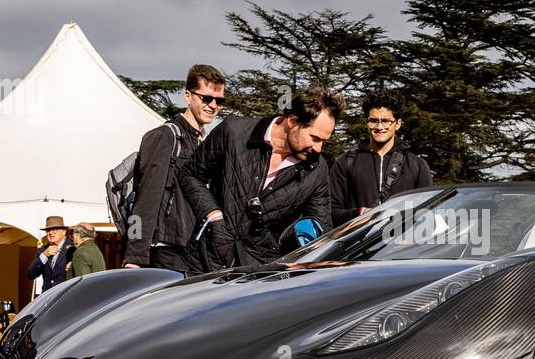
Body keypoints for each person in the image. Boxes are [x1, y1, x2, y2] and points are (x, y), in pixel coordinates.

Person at [178, 88, 339, 267]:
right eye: (315, 138)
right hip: (202, 261)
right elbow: (189, 174)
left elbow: (320, 226)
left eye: (324, 141)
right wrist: (212, 215)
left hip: (259, 274)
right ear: (292, 121)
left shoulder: (317, 168)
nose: (318, 148)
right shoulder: (233, 131)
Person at [123, 65, 224, 274]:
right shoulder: (165, 136)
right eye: (206, 98)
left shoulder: (206, 143)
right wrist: (134, 257)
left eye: (219, 101)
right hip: (166, 251)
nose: (213, 105)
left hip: (195, 252)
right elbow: (145, 200)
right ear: (188, 96)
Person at [330, 90, 433, 225]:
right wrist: (360, 213)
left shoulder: (418, 165)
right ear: (366, 122)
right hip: (358, 244)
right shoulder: (345, 162)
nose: (379, 127)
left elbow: (428, 212)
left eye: (386, 121)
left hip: (403, 244)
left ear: (398, 124)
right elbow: (331, 212)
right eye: (373, 121)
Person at [27, 216, 73, 294]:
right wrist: (44, 255)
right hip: (47, 298)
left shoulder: (72, 249)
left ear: (64, 231)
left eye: (54, 229)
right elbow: (30, 274)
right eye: (48, 230)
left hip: (66, 297)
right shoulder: (43, 250)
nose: (50, 233)